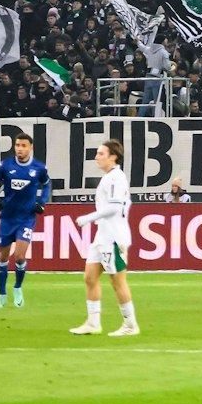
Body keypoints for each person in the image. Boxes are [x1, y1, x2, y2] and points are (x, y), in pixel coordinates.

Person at [71, 139, 137, 337]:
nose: (96, 157)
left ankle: (130, 325)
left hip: (114, 237)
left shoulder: (116, 177)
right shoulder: (109, 177)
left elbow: (115, 207)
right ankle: (93, 323)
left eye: (101, 153)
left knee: (118, 281)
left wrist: (89, 218)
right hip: (102, 236)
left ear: (113, 156)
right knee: (90, 278)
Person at [0, 133, 50, 308]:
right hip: (8, 217)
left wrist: (41, 202)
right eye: (17, 145)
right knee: (3, 256)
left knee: (20, 256)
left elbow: (47, 184)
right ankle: (1, 295)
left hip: (26, 218)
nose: (20, 149)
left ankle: (17, 287)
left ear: (30, 148)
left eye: (23, 146)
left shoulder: (39, 167)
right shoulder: (5, 165)